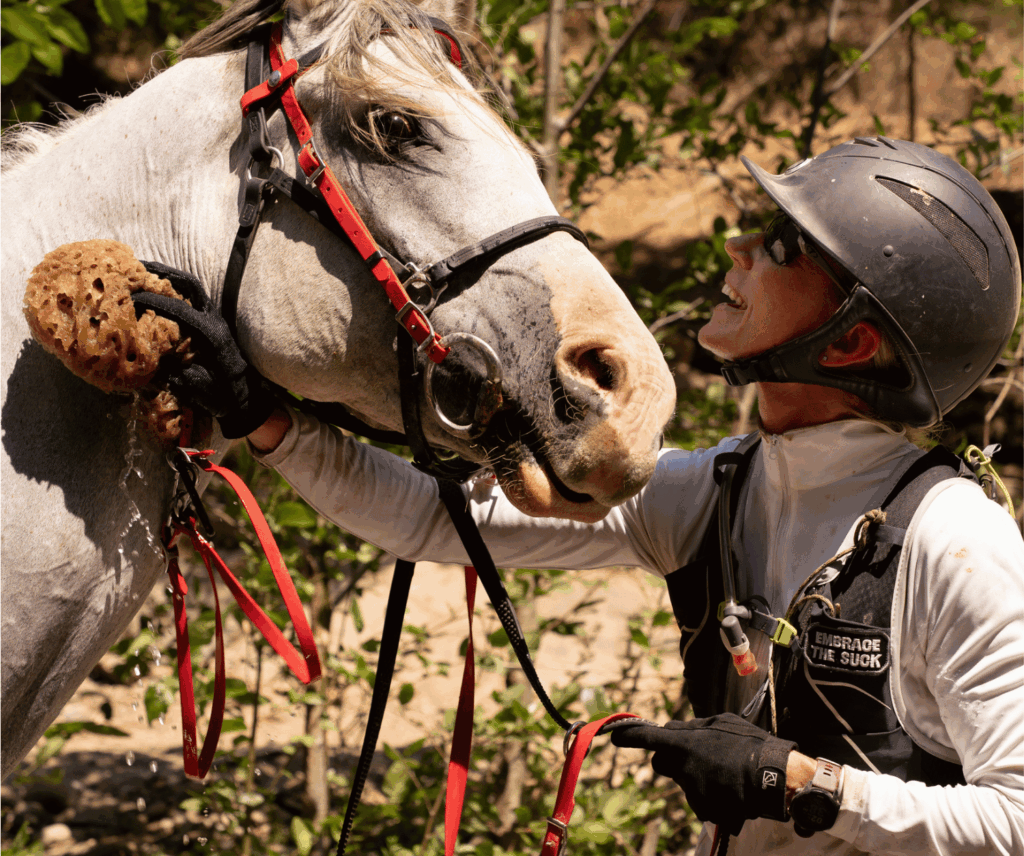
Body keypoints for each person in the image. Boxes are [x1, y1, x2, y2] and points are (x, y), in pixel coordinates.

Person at [147, 137, 1024, 855]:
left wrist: (804, 785)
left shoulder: (955, 544)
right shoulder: (716, 493)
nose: (737, 250)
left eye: (783, 245)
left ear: (850, 341)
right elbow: (433, 517)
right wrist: (264, 419)